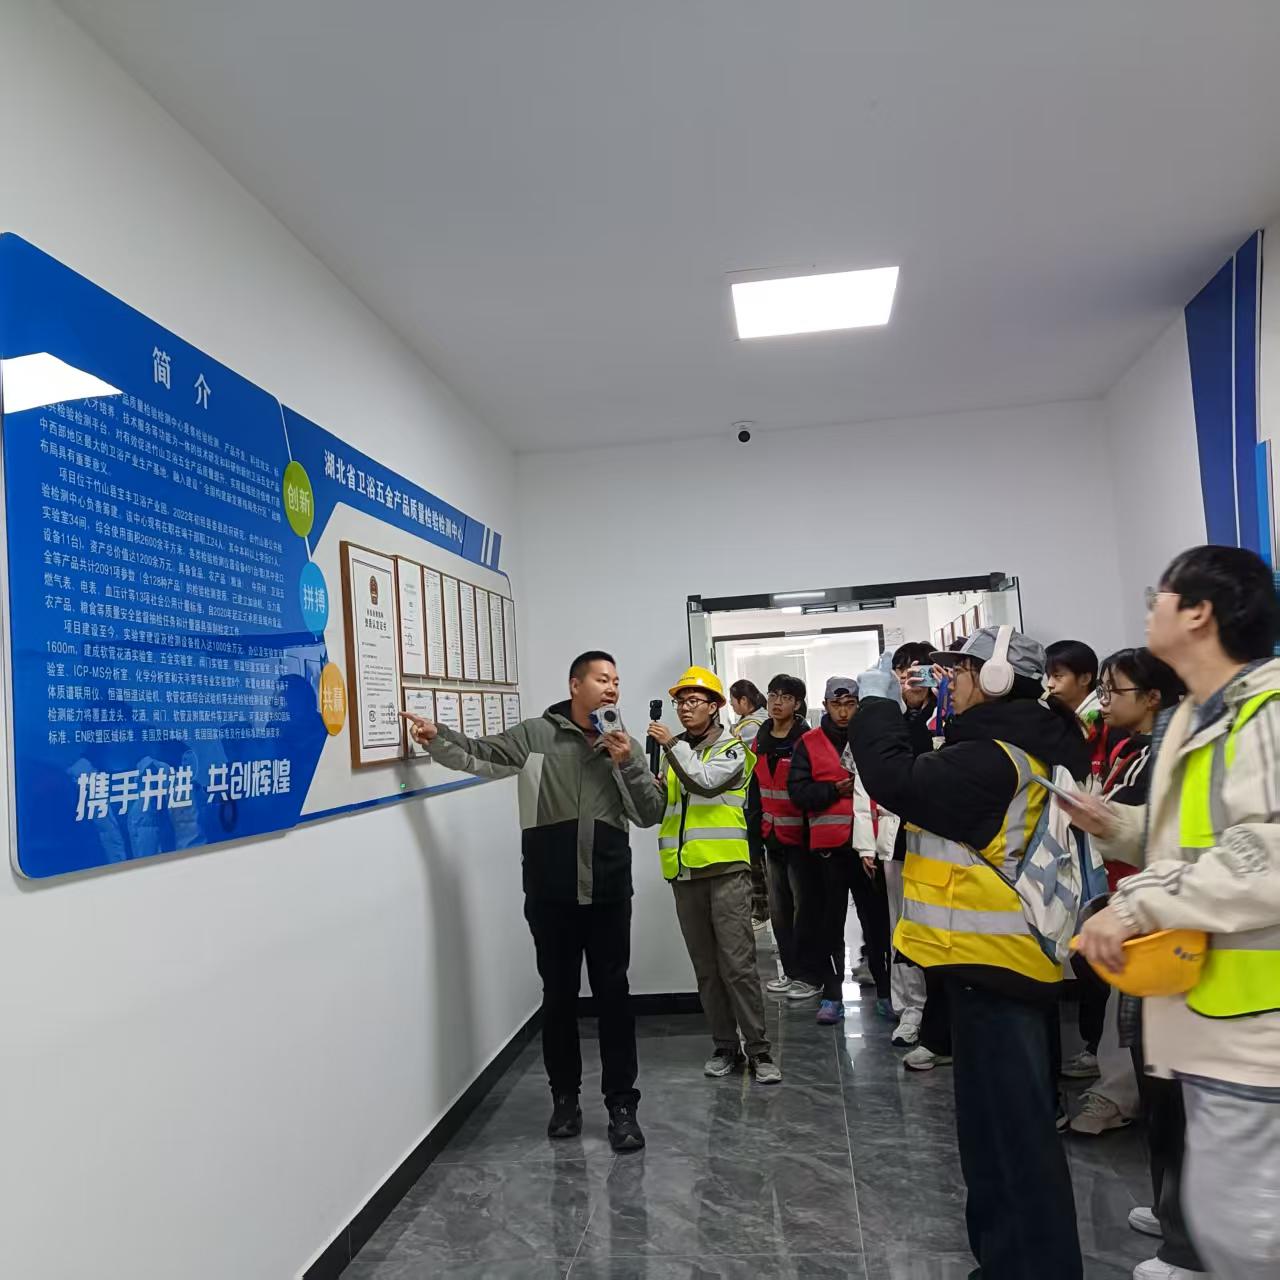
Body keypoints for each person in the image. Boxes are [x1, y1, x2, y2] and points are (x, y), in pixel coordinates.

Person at [852, 626, 1089, 1280]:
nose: (947, 681)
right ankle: (1006, 1263)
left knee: (1014, 1141)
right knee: (993, 1137)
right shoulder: (1004, 743)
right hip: (988, 967)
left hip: (999, 968)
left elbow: (895, 777)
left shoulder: (995, 758)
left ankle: (1037, 1269)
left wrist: (876, 703)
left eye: (958, 670)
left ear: (996, 679)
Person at [1072, 546, 1280, 1280]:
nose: (1149, 610)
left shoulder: (1265, 714)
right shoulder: (1197, 714)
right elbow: (1192, 840)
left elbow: (1265, 856)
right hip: (1205, 1012)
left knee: (1250, 1237)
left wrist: (1135, 907)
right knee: (1229, 1228)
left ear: (1198, 613)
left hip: (1256, 1024)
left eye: (1159, 597)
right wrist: (1115, 825)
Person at [403, 650, 664, 1153]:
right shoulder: (535, 736)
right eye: (601, 679)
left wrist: (627, 762)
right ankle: (564, 1099)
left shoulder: (624, 744)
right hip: (550, 893)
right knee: (559, 997)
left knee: (614, 998)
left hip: (609, 893)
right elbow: (481, 755)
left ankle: (622, 1106)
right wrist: (438, 738)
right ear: (575, 685)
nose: (612, 688)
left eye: (616, 680)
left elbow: (649, 814)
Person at [1069, 648, 1186, 1136]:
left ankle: (1123, 1096)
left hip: (1159, 901)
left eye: (1113, 690)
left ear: (1153, 696)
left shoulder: (1169, 752)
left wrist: (1102, 816)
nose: (1104, 701)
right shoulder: (1130, 748)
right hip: (1132, 891)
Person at [647, 667, 781, 1084]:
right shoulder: (674, 755)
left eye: (694, 701)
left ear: (715, 706)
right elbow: (660, 809)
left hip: (725, 872)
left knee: (738, 966)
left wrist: (671, 746)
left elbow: (705, 784)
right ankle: (725, 1047)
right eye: (680, 702)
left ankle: (759, 1051)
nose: (685, 709)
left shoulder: (733, 749)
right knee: (705, 969)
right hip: (684, 873)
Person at [787, 676, 889, 1025]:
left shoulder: (871, 739)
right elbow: (798, 792)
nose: (843, 712)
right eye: (836, 705)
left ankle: (887, 992)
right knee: (829, 926)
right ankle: (832, 996)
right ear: (825, 706)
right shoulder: (809, 743)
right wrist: (834, 790)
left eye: (849, 705)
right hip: (827, 851)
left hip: (869, 848)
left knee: (876, 923)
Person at [875, 641, 940, 1052]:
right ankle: (910, 1009)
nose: (908, 679)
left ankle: (941, 1012)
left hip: (942, 838)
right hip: (898, 839)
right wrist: (867, 845)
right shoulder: (889, 719)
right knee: (902, 926)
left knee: (940, 926)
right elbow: (868, 783)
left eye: (917, 670)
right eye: (901, 671)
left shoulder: (949, 715)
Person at [745, 674, 809, 996]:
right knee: (779, 910)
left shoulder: (805, 740)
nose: (777, 702)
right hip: (771, 836)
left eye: (785, 697)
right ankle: (790, 971)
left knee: (804, 908)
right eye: (772, 695)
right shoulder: (760, 740)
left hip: (802, 838)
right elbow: (754, 789)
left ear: (797, 704)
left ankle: (809, 975)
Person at [729, 679, 771, 926]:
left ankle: (760, 909)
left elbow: (736, 761)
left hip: (752, 796)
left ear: (744, 701)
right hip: (757, 796)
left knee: (754, 853)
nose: (733, 706)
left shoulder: (751, 726)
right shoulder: (759, 720)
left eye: (733, 701)